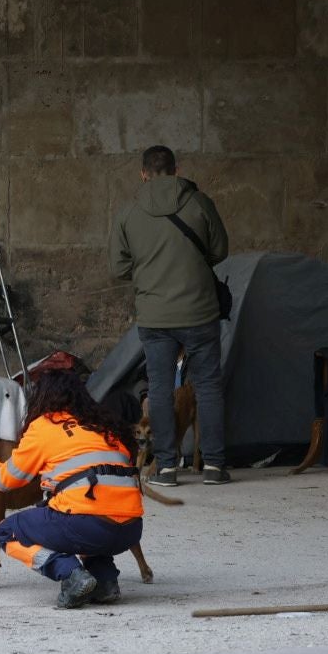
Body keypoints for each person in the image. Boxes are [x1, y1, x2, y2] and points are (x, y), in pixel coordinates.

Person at [0, 368, 144, 609]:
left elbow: (5, 480)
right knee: (88, 516)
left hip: (89, 524)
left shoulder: (44, 426)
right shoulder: (102, 426)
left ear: (41, 399)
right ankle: (105, 579)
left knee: (6, 531)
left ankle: (70, 574)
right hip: (131, 529)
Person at [109, 144, 230, 486]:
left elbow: (117, 267)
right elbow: (220, 250)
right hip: (200, 310)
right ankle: (214, 466)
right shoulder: (200, 203)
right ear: (177, 171)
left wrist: (149, 273)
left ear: (143, 174)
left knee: (160, 388)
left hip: (155, 315)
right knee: (207, 386)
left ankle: (165, 467)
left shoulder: (129, 212)